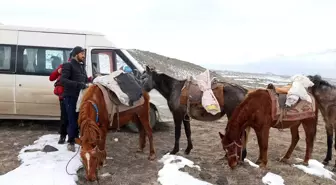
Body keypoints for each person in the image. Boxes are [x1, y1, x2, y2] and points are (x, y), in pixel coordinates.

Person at [60, 46, 91, 152]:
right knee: (72, 120)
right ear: (76, 54)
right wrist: (79, 85)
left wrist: (91, 81)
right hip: (70, 97)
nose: (84, 56)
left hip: (81, 97)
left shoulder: (82, 66)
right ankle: (71, 142)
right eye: (82, 54)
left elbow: (85, 79)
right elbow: (63, 80)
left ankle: (77, 138)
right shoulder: (68, 65)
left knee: (79, 119)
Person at [49, 55, 70, 144]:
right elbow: (51, 78)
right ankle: (63, 135)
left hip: (73, 95)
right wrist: (58, 71)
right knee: (65, 117)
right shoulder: (64, 66)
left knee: (72, 117)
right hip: (64, 96)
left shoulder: (79, 66)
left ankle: (72, 136)